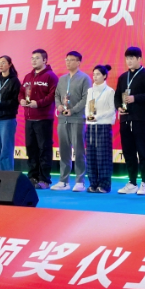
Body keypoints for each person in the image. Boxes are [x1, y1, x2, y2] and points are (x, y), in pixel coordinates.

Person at [115, 47, 145, 195]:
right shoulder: (123, 77)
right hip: (125, 119)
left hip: (140, 119)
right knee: (128, 152)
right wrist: (119, 107)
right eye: (127, 58)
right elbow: (117, 96)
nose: (129, 61)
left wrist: (135, 98)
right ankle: (132, 182)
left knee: (142, 151)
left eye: (132, 58)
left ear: (139, 59)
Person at [51, 51, 91, 192]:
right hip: (63, 119)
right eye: (66, 59)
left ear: (78, 62)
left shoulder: (85, 78)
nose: (68, 62)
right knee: (64, 151)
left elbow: (86, 98)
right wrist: (59, 106)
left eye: (71, 60)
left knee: (79, 150)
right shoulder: (62, 79)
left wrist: (72, 110)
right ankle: (64, 181)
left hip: (77, 119)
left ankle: (80, 181)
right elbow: (57, 95)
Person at [21, 49, 58, 190]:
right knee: (31, 149)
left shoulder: (51, 76)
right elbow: (21, 93)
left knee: (44, 149)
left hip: (43, 119)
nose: (33, 60)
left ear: (45, 60)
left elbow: (53, 95)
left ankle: (44, 179)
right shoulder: (27, 76)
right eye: (32, 58)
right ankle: (32, 177)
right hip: (29, 119)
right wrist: (21, 100)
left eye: (37, 58)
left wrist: (39, 103)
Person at [84, 64, 117, 193]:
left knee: (103, 157)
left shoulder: (109, 91)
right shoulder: (90, 91)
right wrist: (89, 116)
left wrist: (97, 117)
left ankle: (104, 185)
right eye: (94, 74)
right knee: (91, 156)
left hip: (103, 125)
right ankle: (93, 183)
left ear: (104, 76)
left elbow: (112, 109)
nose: (95, 77)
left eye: (98, 74)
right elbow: (87, 107)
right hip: (91, 126)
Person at [0, 56, 20, 171]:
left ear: (10, 64)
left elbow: (15, 101)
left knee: (6, 149)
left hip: (7, 119)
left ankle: (6, 176)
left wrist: (0, 105)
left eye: (3, 63)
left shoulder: (14, 81)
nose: (1, 65)